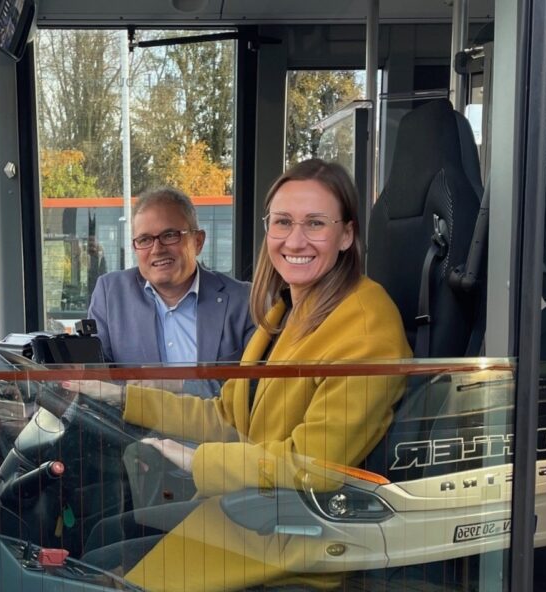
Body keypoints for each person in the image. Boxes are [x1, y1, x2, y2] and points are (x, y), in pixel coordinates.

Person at [69, 159, 412, 591]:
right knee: (101, 542)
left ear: (346, 234)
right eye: (283, 222)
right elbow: (228, 416)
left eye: (315, 223)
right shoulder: (285, 312)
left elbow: (315, 468)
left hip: (298, 537)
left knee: (101, 572)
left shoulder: (365, 323)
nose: (295, 240)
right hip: (256, 509)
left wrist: (198, 461)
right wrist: (122, 399)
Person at [87, 187, 255, 384]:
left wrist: (178, 388)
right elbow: (97, 382)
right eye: (145, 240)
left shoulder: (243, 301)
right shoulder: (110, 294)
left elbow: (254, 386)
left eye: (169, 235)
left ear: (198, 241)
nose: (157, 249)